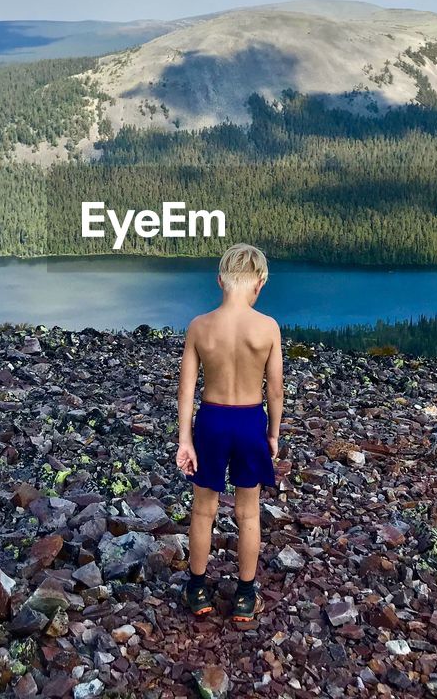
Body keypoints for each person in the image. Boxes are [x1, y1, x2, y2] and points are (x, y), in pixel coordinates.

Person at [174, 243, 283, 622]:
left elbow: (187, 389)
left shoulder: (200, 327)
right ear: (260, 283)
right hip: (250, 420)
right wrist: (273, 433)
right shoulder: (268, 327)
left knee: (203, 511)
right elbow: (275, 390)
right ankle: (245, 595)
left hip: (212, 421)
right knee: (248, 513)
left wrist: (185, 439)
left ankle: (197, 587)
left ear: (220, 280)